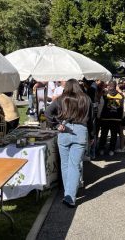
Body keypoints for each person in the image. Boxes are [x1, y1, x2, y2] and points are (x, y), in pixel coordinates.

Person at [44, 79, 93, 208]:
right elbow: (91, 119)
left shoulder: (62, 98)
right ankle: (69, 195)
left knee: (65, 164)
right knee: (74, 165)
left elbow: (47, 112)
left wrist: (56, 124)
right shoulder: (86, 99)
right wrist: (92, 136)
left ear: (66, 87)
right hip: (81, 130)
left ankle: (69, 194)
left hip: (64, 130)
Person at [98, 81, 124, 156]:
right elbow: (124, 108)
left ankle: (101, 149)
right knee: (114, 135)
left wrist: (99, 116)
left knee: (104, 134)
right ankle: (111, 150)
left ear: (109, 86)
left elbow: (101, 106)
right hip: (116, 119)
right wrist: (121, 117)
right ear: (116, 86)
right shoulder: (121, 96)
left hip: (105, 118)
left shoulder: (105, 95)